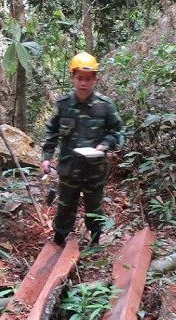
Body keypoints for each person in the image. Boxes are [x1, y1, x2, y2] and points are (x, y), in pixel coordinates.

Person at [41, 52, 122, 247]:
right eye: (79, 78)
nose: (83, 83)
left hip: (95, 169)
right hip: (69, 168)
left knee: (94, 207)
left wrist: (105, 144)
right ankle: (59, 240)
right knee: (65, 206)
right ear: (72, 78)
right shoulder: (63, 105)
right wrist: (46, 157)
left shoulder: (105, 106)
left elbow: (117, 132)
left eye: (88, 79)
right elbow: (51, 131)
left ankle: (94, 242)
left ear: (95, 79)